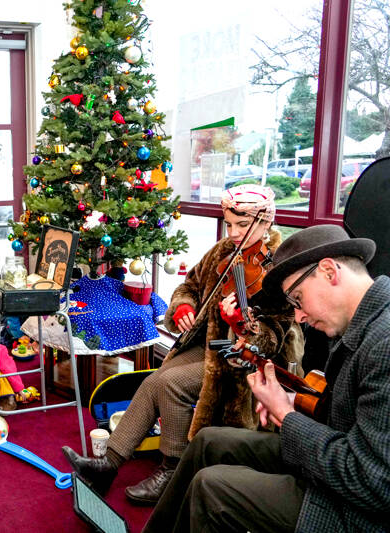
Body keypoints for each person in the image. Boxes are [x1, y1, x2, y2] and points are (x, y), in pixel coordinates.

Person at [62, 184, 304, 504]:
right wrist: (184, 308)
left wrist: (242, 325)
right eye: (229, 223)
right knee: (153, 381)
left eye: (242, 226)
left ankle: (173, 470)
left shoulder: (278, 267)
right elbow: (188, 286)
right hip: (208, 344)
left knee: (171, 383)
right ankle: (108, 464)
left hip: (242, 360)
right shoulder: (222, 251)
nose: (232, 233)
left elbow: (274, 337)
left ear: (266, 222)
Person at [144, 224, 390, 533]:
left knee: (212, 487)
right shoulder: (364, 322)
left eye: (298, 298)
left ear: (329, 272)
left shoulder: (384, 343)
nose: (299, 316)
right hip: (336, 468)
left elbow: (372, 482)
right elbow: (355, 419)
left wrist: (286, 417)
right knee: (208, 441)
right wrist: (292, 404)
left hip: (355, 512)